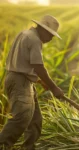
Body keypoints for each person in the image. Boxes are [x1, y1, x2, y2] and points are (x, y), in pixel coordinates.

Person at [0, 15, 64, 150]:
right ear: (42, 29)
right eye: (50, 34)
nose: (51, 38)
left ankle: (28, 147)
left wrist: (39, 80)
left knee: (35, 120)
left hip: (20, 79)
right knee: (21, 118)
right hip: (20, 82)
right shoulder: (34, 40)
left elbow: (22, 61)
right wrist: (54, 88)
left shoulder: (24, 34)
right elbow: (38, 66)